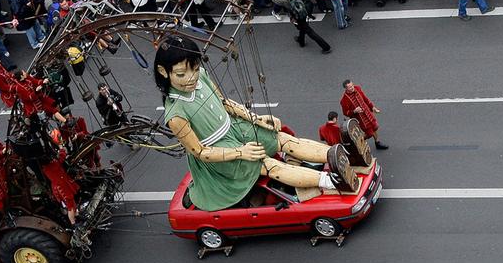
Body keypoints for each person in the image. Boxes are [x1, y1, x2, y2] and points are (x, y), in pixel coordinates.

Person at [156, 36, 365, 213]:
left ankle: (342, 157)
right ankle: (332, 181)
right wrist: (241, 152)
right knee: (269, 166)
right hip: (222, 151)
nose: (191, 77)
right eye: (182, 74)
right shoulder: (176, 114)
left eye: (194, 69)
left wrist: (256, 118)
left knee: (283, 139)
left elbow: (224, 103)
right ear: (164, 72)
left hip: (234, 127)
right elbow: (200, 152)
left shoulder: (200, 75)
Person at [266, 0, 331, 54]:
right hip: (303, 12)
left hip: (295, 16)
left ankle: (326, 47)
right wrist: (310, 8)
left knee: (309, 31)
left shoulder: (283, 0)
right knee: (303, 27)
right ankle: (301, 41)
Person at [340, 80, 388, 151]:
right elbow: (345, 113)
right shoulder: (344, 100)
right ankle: (357, 142)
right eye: (350, 87)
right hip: (361, 119)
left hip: (368, 114)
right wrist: (354, 111)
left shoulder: (358, 89)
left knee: (374, 128)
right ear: (346, 89)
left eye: (352, 85)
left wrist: (373, 107)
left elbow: (365, 99)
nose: (352, 87)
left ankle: (377, 143)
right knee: (369, 134)